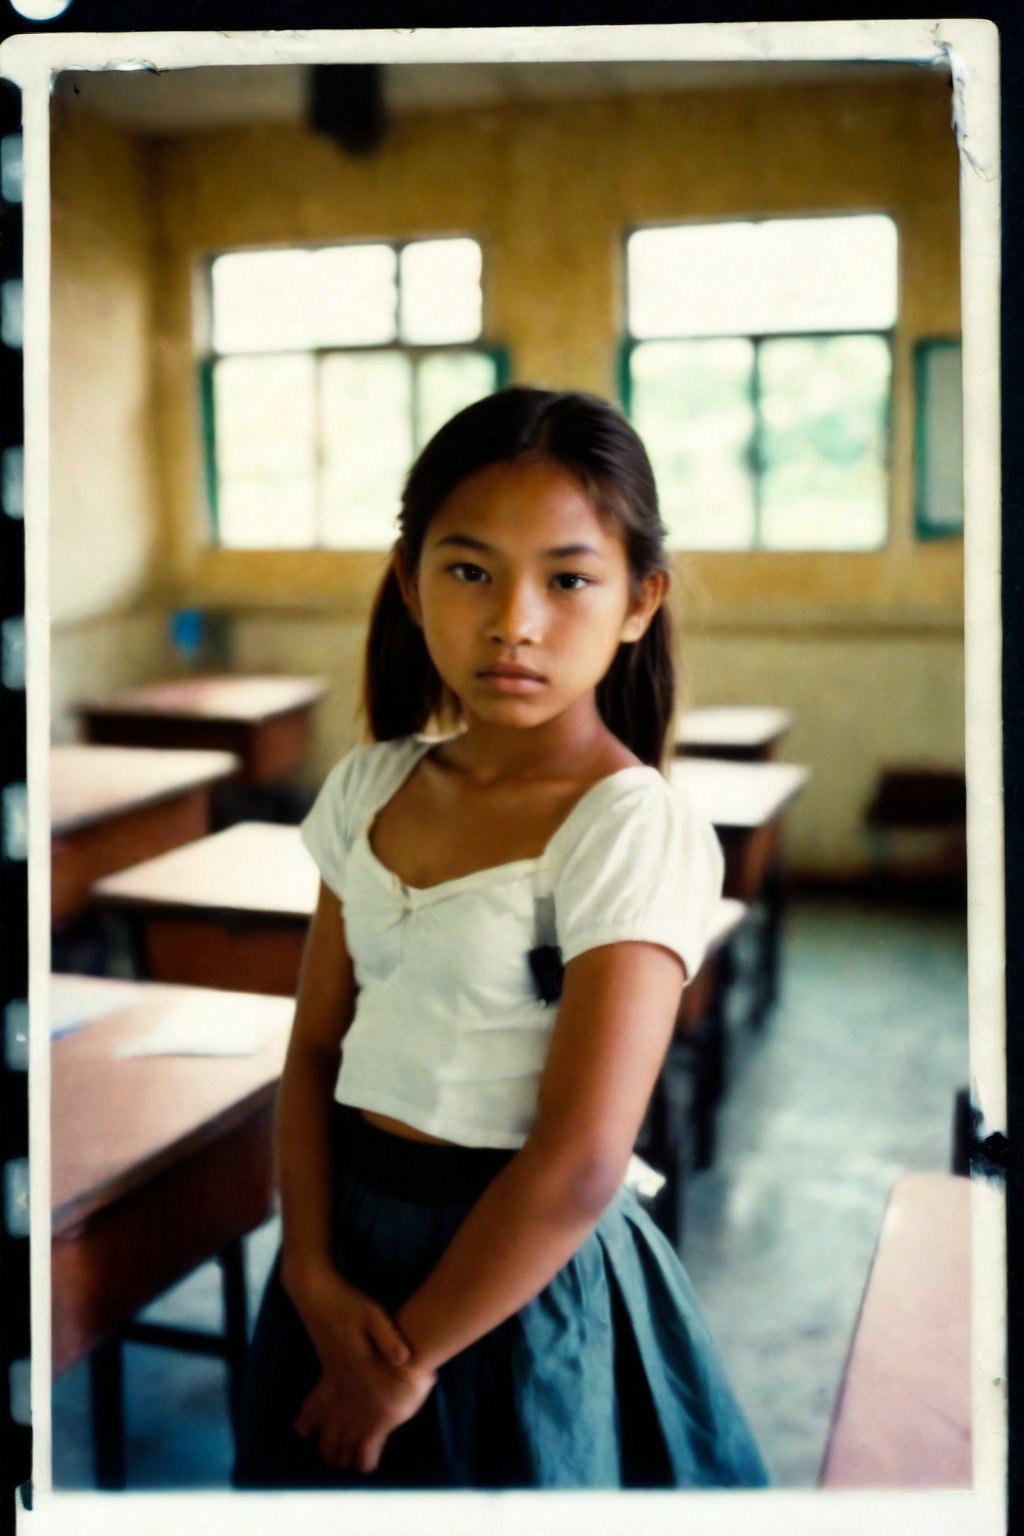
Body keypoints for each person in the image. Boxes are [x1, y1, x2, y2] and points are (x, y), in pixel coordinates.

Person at [233, 386, 770, 1491]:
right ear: (408, 580)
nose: (512, 621)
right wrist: (311, 1271)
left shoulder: (629, 825)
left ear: (637, 602)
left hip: (513, 1282)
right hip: (345, 1254)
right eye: (469, 570)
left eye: (568, 579)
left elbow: (577, 1164)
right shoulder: (371, 786)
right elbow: (315, 1054)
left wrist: (399, 1361)